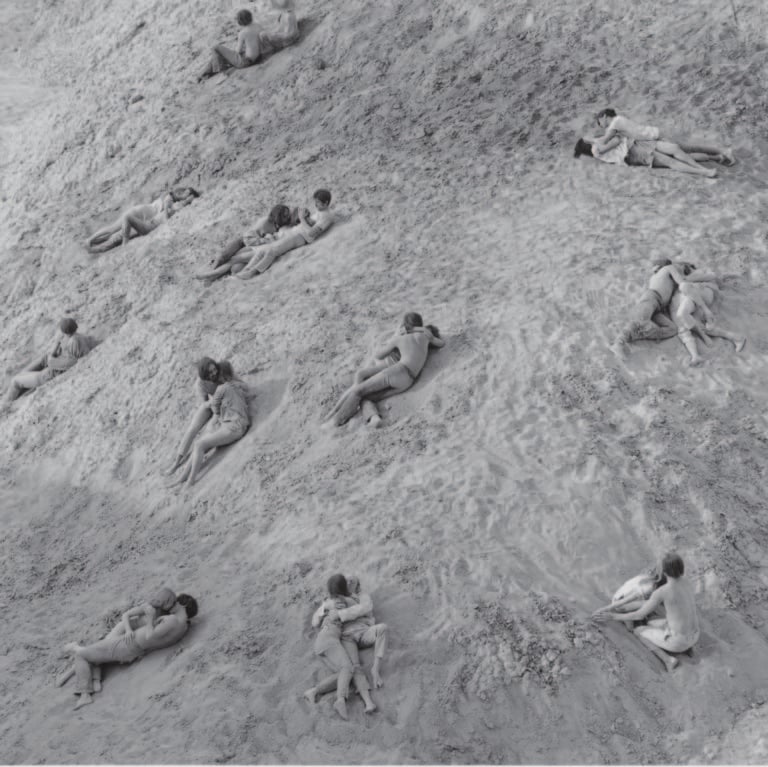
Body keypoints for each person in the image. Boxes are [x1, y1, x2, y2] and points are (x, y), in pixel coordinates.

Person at [59, 594, 198, 709]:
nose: (171, 605)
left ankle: (85, 695)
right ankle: (87, 675)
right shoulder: (184, 626)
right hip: (134, 650)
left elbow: (151, 635)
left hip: (127, 645)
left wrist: (150, 618)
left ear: (184, 605)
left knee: (81, 656)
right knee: (96, 653)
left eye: (175, 603)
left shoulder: (172, 620)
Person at [326, 312, 445, 427]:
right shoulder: (425, 337)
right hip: (409, 381)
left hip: (398, 370)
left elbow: (378, 355)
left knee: (358, 391)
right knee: (367, 398)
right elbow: (441, 343)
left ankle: (335, 422)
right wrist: (422, 330)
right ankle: (374, 418)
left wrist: (395, 336)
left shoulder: (400, 339)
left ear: (404, 326)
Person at [194, 189, 334, 282]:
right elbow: (297, 218)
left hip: (273, 241)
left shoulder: (323, 217)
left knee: (240, 259)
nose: (315, 206)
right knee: (235, 256)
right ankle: (214, 272)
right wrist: (302, 219)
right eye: (315, 202)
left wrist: (303, 220)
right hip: (258, 240)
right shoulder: (286, 222)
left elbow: (311, 233)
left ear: (326, 203)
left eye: (318, 203)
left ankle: (236, 273)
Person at [55, 587, 177, 691]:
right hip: (123, 629)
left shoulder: (164, 616)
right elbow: (126, 615)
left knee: (102, 652)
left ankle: (90, 670)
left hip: (132, 636)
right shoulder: (148, 607)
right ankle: (74, 657)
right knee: (96, 651)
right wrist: (128, 630)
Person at [593, 552, 699, 672]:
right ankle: (688, 649)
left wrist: (613, 616)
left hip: (679, 642)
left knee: (639, 631)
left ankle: (668, 660)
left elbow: (639, 615)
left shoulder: (663, 591)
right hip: (695, 636)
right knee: (656, 622)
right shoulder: (687, 582)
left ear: (663, 572)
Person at [303, 575, 388, 706]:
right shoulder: (337, 599)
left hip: (364, 632)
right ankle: (366, 702)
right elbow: (315, 620)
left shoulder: (362, 597)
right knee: (352, 668)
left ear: (357, 584)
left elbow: (363, 608)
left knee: (382, 628)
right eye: (348, 582)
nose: (351, 584)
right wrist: (327, 607)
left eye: (353, 582)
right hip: (346, 637)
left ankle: (375, 670)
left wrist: (340, 614)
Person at [173, 361, 250, 487]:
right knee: (195, 433)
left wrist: (215, 418)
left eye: (217, 372)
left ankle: (189, 480)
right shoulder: (204, 385)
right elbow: (207, 404)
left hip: (231, 422)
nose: (216, 375)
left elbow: (217, 410)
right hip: (221, 413)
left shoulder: (225, 386)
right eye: (211, 373)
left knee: (201, 443)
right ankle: (180, 471)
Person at [617, 259, 719, 348]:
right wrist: (707, 276)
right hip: (651, 298)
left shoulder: (666, 279)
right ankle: (618, 343)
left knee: (672, 329)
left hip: (659, 307)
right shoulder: (667, 268)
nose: (680, 269)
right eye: (680, 267)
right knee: (640, 321)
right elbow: (683, 281)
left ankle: (640, 334)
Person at [595, 108, 735, 166]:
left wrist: (592, 140)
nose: (601, 125)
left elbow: (606, 140)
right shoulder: (620, 119)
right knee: (688, 150)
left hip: (655, 138)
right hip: (655, 135)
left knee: (686, 152)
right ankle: (720, 154)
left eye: (599, 122)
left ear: (605, 116)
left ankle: (721, 154)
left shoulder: (615, 123)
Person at [4, 318, 97, 404]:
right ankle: (21, 389)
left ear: (65, 332)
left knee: (15, 381)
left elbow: (57, 363)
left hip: (47, 375)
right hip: (52, 368)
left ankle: (6, 404)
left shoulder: (73, 346)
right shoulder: (80, 338)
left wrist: (53, 353)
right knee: (29, 369)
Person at [87, 188, 200, 253]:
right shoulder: (169, 198)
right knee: (114, 231)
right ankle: (91, 242)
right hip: (140, 215)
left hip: (144, 218)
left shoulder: (173, 203)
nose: (185, 197)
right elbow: (167, 208)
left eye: (188, 195)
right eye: (186, 194)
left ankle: (94, 246)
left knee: (115, 235)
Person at [206, 204, 300, 277]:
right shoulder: (264, 224)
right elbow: (248, 239)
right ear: (277, 216)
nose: (287, 217)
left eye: (288, 215)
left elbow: (293, 218)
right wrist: (265, 240)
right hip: (244, 241)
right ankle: (212, 269)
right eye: (285, 216)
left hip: (254, 247)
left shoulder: (281, 224)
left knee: (235, 268)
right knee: (224, 256)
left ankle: (218, 273)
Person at [164, 357, 223, 475]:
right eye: (210, 373)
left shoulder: (222, 371)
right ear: (204, 375)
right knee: (192, 430)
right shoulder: (200, 383)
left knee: (207, 432)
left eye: (214, 370)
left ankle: (190, 463)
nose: (214, 373)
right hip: (211, 404)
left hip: (223, 405)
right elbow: (204, 402)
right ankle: (176, 462)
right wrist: (212, 403)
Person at [574, 134, 728, 178]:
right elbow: (615, 140)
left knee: (674, 149)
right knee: (671, 161)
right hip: (632, 152)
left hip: (635, 144)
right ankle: (704, 171)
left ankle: (715, 158)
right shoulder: (596, 149)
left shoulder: (597, 145)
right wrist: (596, 139)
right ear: (585, 144)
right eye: (585, 138)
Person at [671, 281, 746, 366]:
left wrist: (706, 310)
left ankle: (703, 335)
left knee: (682, 314)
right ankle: (736, 337)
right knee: (686, 324)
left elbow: (688, 286)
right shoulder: (673, 299)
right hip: (691, 304)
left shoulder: (681, 281)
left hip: (697, 296)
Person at [198, 9, 262, 82]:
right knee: (218, 57)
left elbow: (237, 51)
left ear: (240, 21)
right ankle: (202, 75)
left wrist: (232, 50)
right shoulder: (257, 26)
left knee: (215, 48)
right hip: (258, 57)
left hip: (245, 62)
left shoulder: (242, 33)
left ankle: (222, 73)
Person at [593, 566, 667, 629]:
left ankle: (632, 612)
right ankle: (627, 615)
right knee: (651, 603)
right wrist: (605, 608)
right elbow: (627, 599)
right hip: (621, 604)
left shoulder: (647, 577)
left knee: (651, 601)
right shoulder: (648, 588)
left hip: (619, 597)